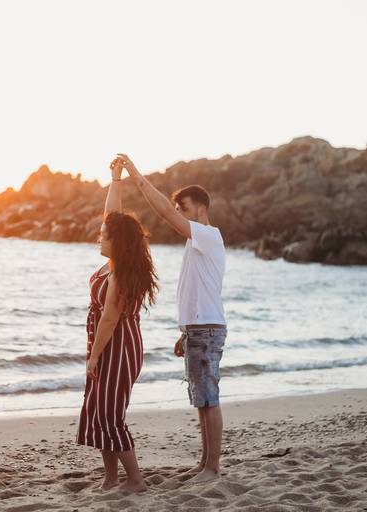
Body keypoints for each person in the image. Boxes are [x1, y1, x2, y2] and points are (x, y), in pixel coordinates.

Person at [117, 154, 227, 484]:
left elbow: (164, 212)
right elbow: (197, 291)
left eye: (184, 208)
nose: (178, 213)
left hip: (206, 328)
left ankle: (212, 468)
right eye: (179, 209)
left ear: (200, 209)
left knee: (209, 398)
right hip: (199, 327)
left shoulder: (208, 235)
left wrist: (136, 175)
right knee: (200, 399)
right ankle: (204, 463)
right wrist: (185, 331)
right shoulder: (197, 244)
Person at [75, 157, 159, 493]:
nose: (99, 238)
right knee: (99, 411)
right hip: (107, 341)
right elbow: (114, 217)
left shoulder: (121, 273)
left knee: (110, 415)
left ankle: (135, 480)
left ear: (117, 242)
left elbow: (110, 319)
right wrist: (115, 180)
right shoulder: (115, 262)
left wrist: (94, 357)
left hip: (118, 346)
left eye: (103, 236)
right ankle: (111, 478)